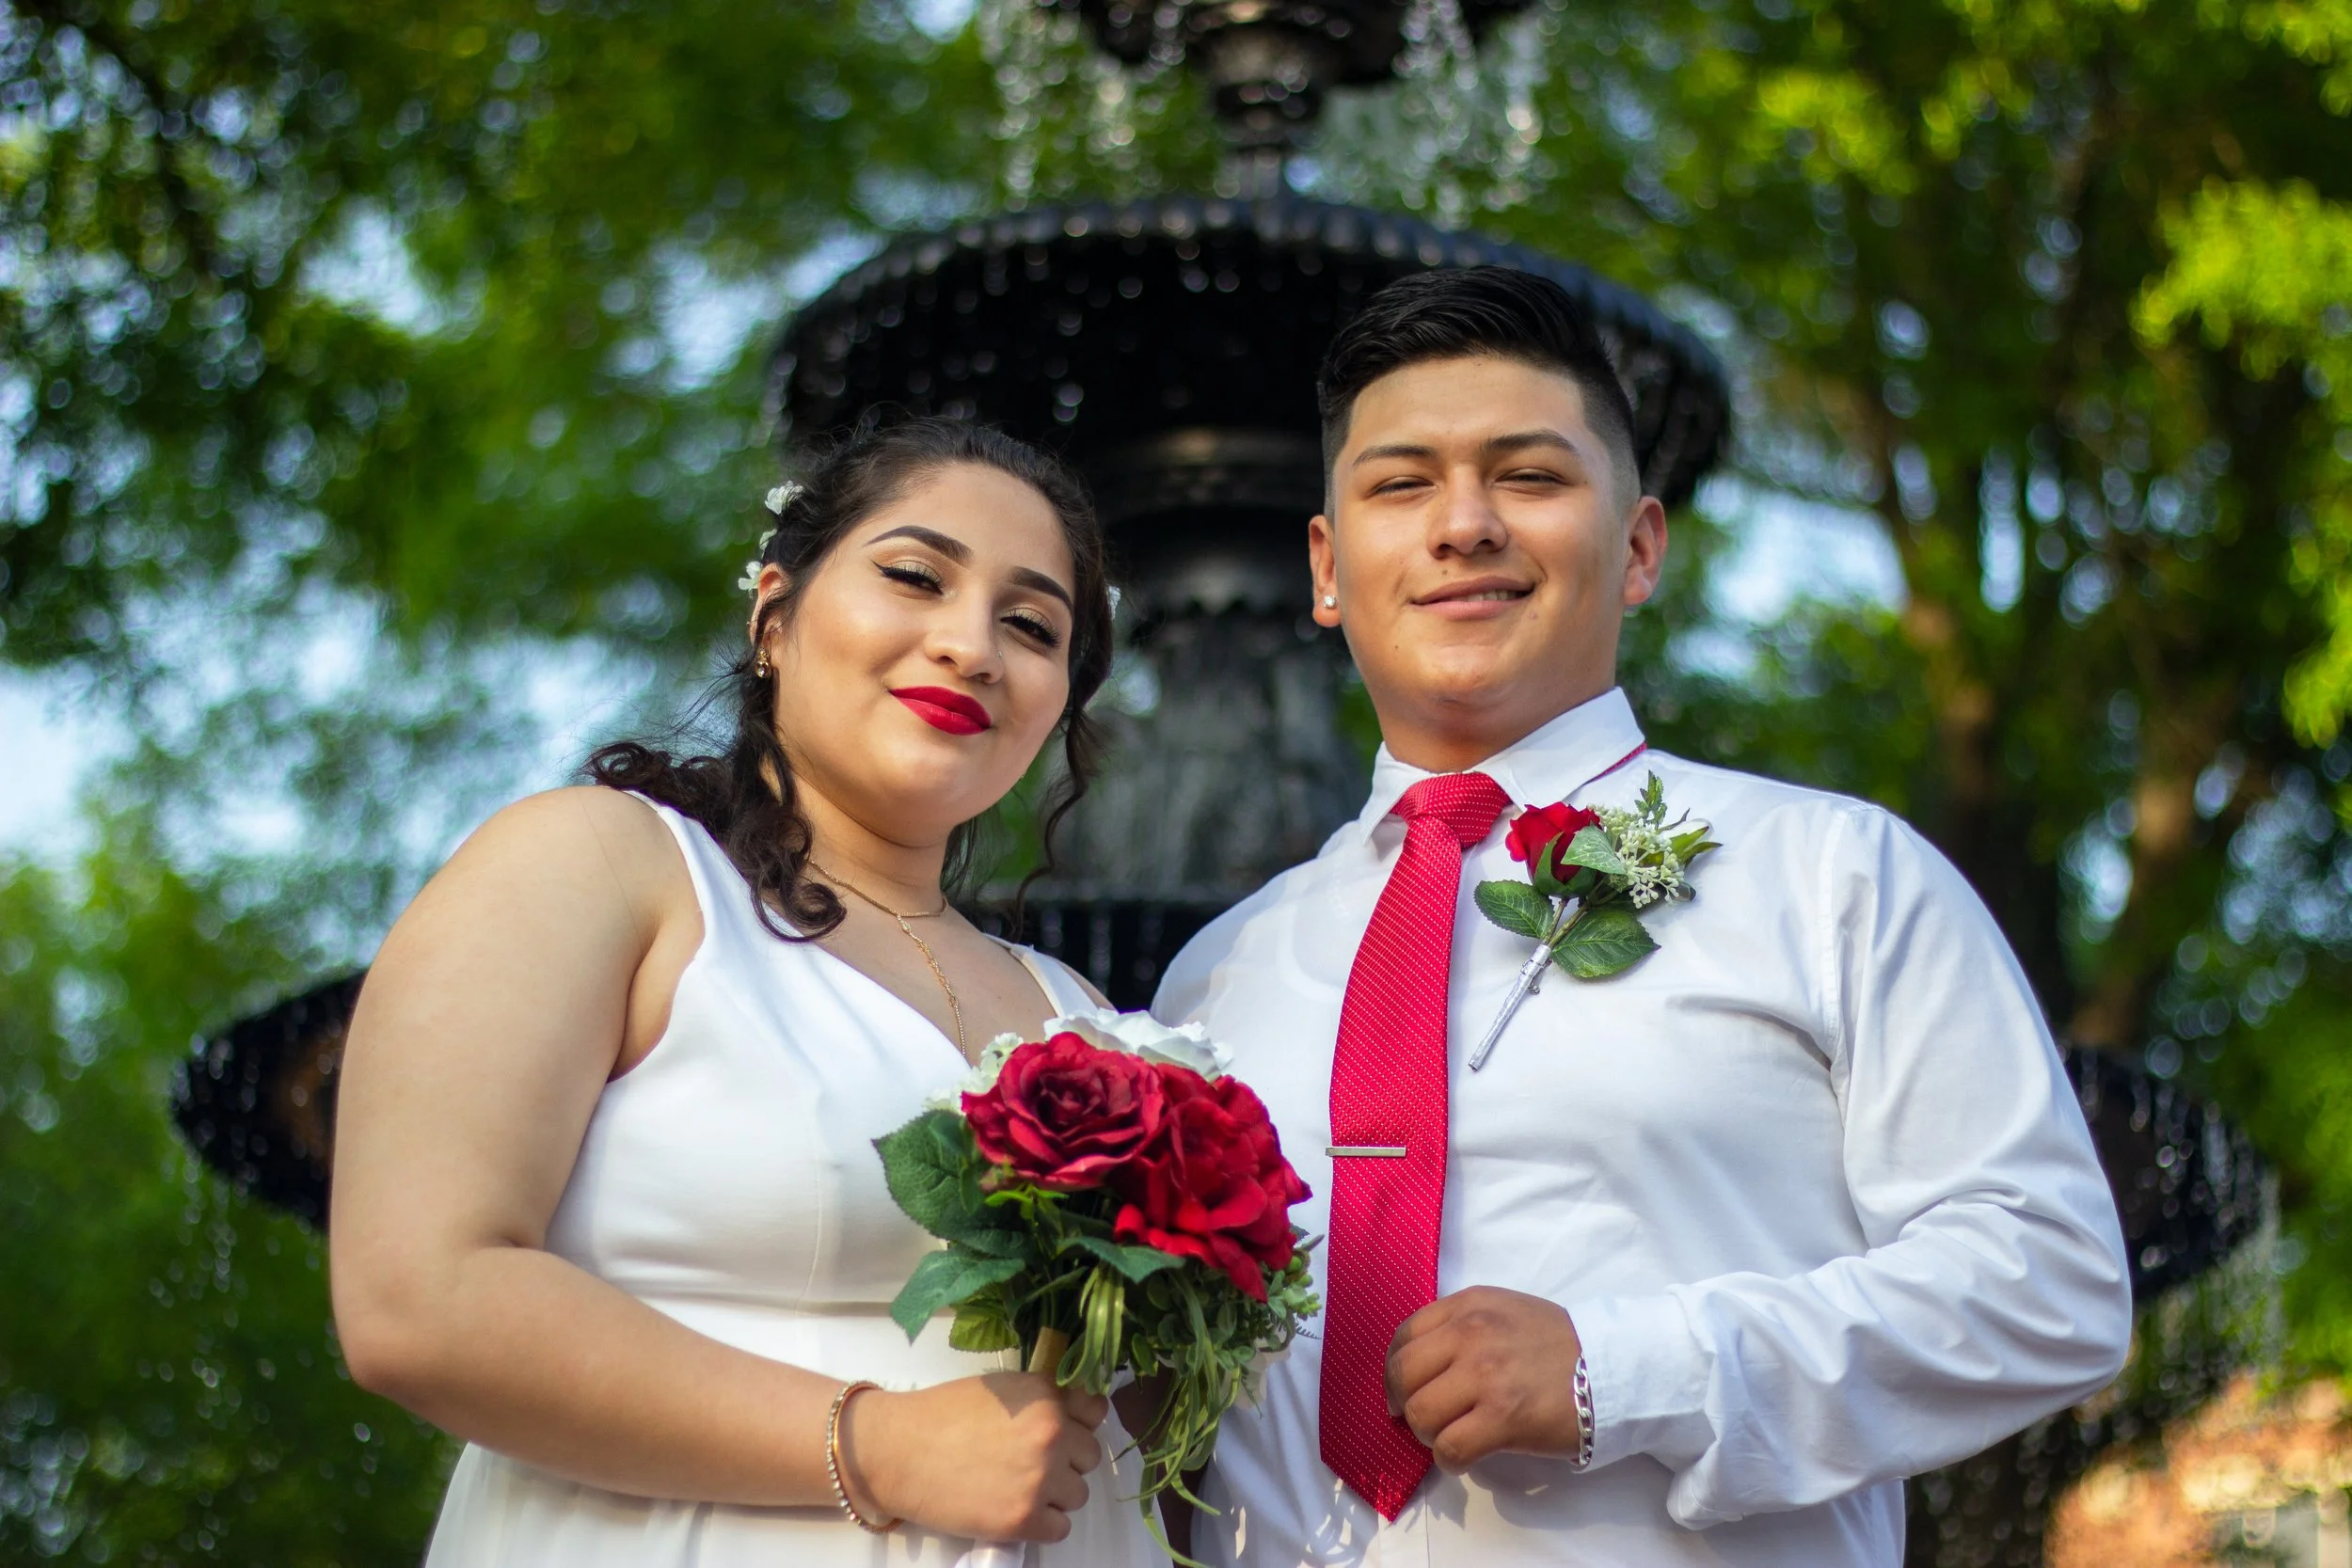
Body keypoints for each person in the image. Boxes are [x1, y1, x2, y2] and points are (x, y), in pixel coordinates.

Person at [1152, 267, 2134, 1567]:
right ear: (1328, 570)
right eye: (1402, 485)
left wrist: (1623, 1368)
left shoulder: (1833, 876)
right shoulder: (1212, 979)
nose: (1463, 524)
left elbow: (2051, 1280)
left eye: (1529, 477)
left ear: (1638, 548)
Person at [330, 417, 1166, 1567]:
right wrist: (875, 1443)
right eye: (914, 576)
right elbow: (416, 1300)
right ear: (774, 614)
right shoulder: (604, 865)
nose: (970, 644)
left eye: (1030, 625)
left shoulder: (1089, 1017)